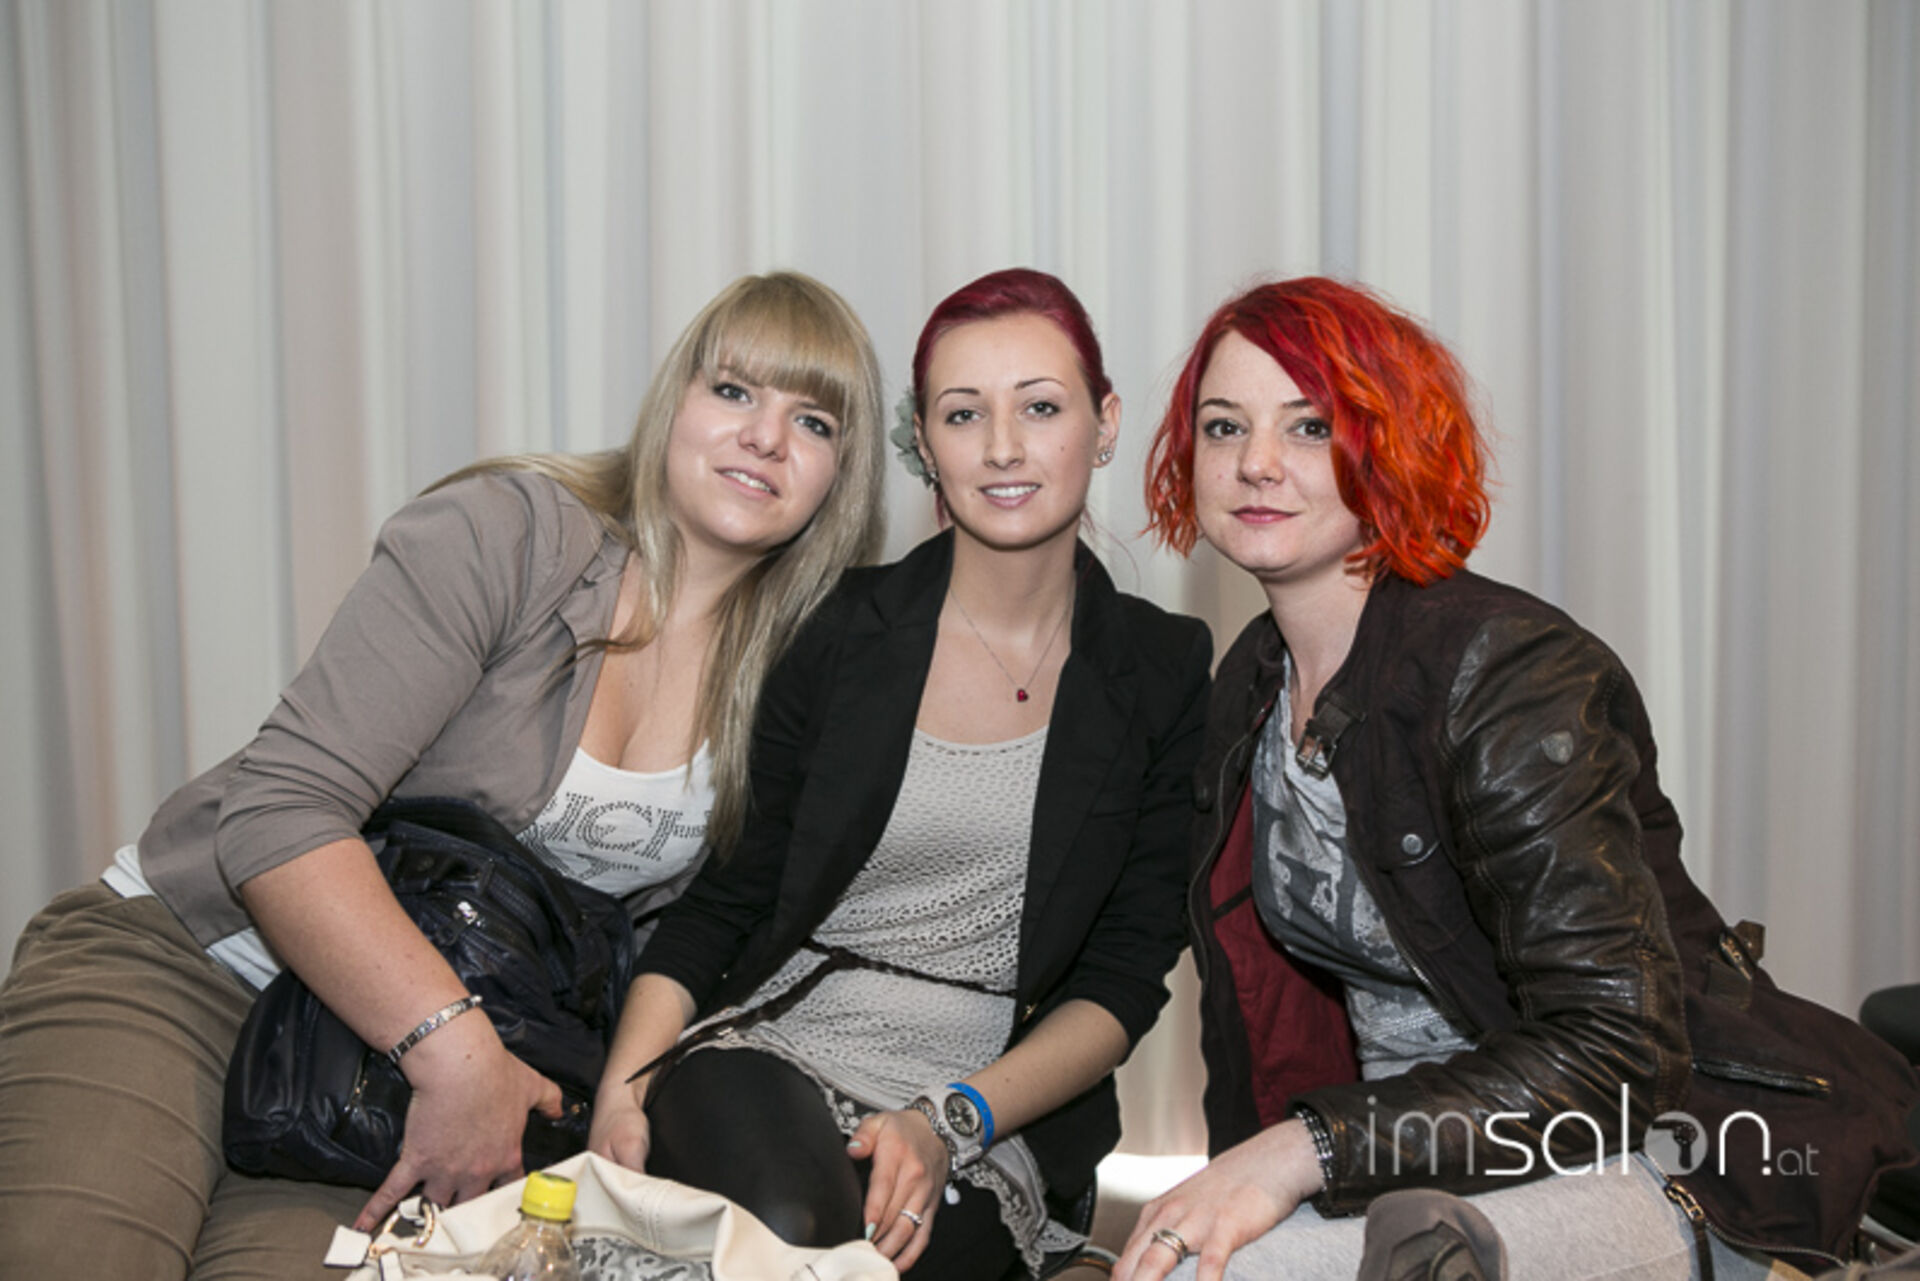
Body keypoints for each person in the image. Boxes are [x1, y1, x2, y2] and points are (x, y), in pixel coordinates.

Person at [0, 271, 888, 1279]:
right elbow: (282, 811)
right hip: (202, 970)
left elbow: (687, 939)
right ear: (673, 403)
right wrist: (458, 1054)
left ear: (842, 473)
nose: (765, 437)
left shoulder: (793, 682)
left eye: (812, 421)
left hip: (383, 1095)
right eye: (733, 391)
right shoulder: (511, 534)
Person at [1117, 277, 1919, 1281]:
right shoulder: (1252, 680)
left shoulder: (1502, 667)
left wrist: (1304, 1149)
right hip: (1406, 1154)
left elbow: (1617, 1050)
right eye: (1224, 426)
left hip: (1654, 1153)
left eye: (1311, 425)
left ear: (1388, 443)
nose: (1256, 462)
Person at [588, 268, 1212, 1278]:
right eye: (964, 414)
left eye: (1040, 408)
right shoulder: (837, 628)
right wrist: (623, 1088)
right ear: (923, 441)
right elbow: (728, 898)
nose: (1002, 448)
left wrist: (951, 1119)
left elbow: (1124, 978)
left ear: (1104, 425)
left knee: (894, 1263)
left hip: (993, 1101)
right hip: (782, 1047)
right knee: (798, 1231)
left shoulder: (1165, 668)